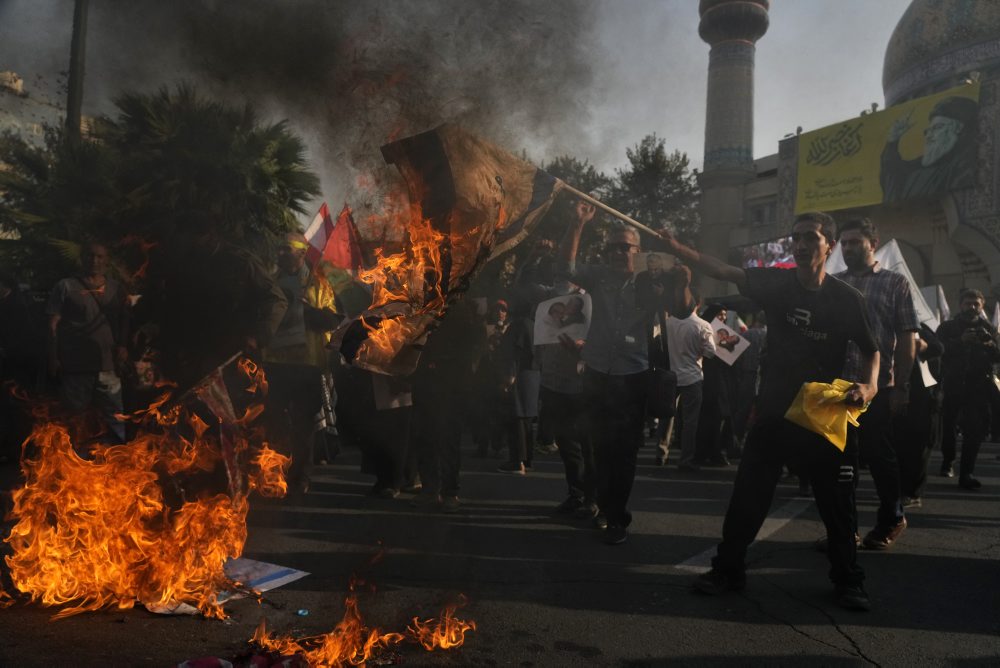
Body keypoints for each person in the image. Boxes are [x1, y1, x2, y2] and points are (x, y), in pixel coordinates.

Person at [661, 211, 880, 611]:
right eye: (796, 237)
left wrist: (870, 385)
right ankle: (728, 570)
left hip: (822, 412)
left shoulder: (849, 300)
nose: (800, 244)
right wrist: (678, 249)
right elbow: (725, 270)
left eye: (810, 238)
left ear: (828, 246)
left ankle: (849, 580)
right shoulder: (776, 283)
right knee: (748, 495)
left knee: (837, 504)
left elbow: (871, 350)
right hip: (775, 411)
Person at [557, 199, 676, 545]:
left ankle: (616, 517)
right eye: (612, 247)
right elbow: (567, 265)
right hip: (597, 372)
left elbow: (681, 301)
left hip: (633, 377)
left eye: (625, 247)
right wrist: (577, 224)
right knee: (596, 446)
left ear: (638, 251)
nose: (617, 252)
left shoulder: (651, 281)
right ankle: (598, 505)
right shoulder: (599, 276)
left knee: (623, 452)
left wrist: (671, 260)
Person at [834, 218, 918, 550]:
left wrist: (902, 386)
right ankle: (844, 530)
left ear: (873, 243)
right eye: (844, 242)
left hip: (879, 388)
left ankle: (891, 518)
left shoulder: (895, 283)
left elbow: (908, 337)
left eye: (855, 242)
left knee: (879, 456)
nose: (848, 248)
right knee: (841, 462)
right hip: (839, 388)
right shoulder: (834, 283)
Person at [264, 233, 343, 495]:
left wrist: (309, 312)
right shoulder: (271, 282)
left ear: (301, 253)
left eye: (287, 250)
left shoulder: (317, 284)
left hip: (306, 364)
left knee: (303, 424)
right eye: (279, 250)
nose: (281, 254)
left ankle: (300, 477)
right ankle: (276, 473)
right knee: (275, 421)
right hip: (276, 362)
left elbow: (333, 321)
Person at [46, 242, 130, 444]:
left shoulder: (117, 289)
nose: (95, 261)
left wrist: (123, 346)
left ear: (107, 261)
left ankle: (119, 456)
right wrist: (52, 356)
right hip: (75, 365)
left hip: (107, 365)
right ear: (82, 259)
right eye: (90, 256)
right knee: (76, 416)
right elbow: (52, 324)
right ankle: (77, 460)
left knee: (115, 416)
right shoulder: (65, 286)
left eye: (100, 257)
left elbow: (125, 320)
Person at [936, 288, 1000, 490]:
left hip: (978, 387)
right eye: (967, 303)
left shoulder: (988, 328)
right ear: (960, 304)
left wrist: (989, 344)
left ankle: (967, 473)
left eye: (976, 304)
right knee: (948, 427)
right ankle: (948, 459)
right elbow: (938, 352)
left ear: (981, 307)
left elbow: (997, 357)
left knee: (974, 431)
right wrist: (959, 342)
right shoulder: (947, 328)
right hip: (953, 384)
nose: (971, 307)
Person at [661, 270, 717, 471]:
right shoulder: (703, 326)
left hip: (670, 376)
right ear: (696, 304)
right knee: (690, 421)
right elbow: (710, 353)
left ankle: (661, 451)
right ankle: (686, 459)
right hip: (693, 377)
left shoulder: (668, 324)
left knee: (667, 416)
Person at [880, 96, 978, 203]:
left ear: (958, 128)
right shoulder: (920, 167)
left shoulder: (964, 162)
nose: (929, 136)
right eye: (927, 131)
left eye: (937, 128)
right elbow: (894, 176)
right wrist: (892, 143)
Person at [897, 323, 944, 508]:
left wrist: (923, 345)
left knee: (918, 445)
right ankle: (897, 488)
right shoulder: (886, 324)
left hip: (920, 397)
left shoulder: (919, 327)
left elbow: (938, 347)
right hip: (892, 390)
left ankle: (912, 492)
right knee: (895, 444)